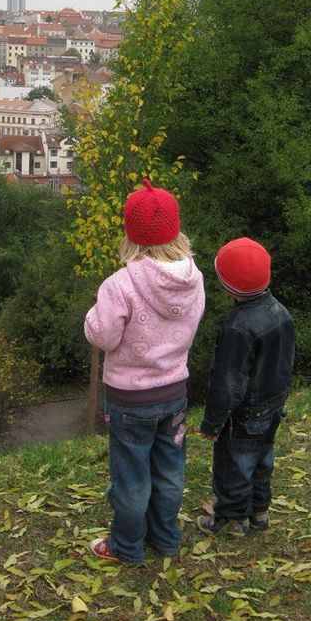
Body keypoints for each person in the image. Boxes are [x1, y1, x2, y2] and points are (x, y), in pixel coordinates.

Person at [84, 179, 205, 564]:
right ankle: (166, 538)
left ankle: (127, 546)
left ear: (130, 233)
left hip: (130, 399)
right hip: (174, 393)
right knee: (170, 470)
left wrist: (91, 315)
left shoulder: (120, 284)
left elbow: (101, 335)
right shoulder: (194, 278)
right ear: (176, 229)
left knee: (131, 476)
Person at [197, 237, 295, 536]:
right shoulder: (280, 312)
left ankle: (233, 518)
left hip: (245, 413)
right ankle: (260, 512)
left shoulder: (237, 327)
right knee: (262, 459)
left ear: (228, 285)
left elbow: (228, 382)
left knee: (233, 466)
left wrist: (213, 422)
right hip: (273, 404)